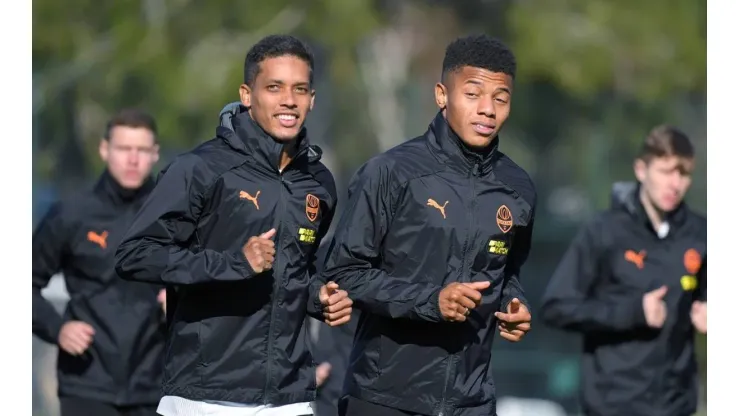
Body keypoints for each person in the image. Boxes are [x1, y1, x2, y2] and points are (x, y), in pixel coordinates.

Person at [114, 34, 353, 416]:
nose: (288, 100)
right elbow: (134, 255)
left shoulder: (319, 183)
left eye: (300, 89)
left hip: (289, 399)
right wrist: (233, 264)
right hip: (203, 397)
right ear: (247, 94)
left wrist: (319, 298)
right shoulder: (200, 169)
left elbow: (298, 272)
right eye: (273, 87)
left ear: (312, 99)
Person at [321, 34, 536, 416]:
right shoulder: (390, 172)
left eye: (500, 99)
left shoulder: (517, 188)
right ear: (442, 95)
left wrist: (513, 305)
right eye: (473, 94)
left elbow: (508, 272)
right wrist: (431, 301)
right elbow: (344, 271)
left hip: (471, 401)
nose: (487, 109)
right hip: (383, 397)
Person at [539, 125, 706, 416]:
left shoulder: (701, 233)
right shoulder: (604, 231)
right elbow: (556, 307)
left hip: (676, 405)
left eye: (684, 174)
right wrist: (633, 312)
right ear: (641, 169)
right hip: (613, 403)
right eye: (666, 171)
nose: (675, 184)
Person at [32, 109, 165, 416]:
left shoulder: (176, 215)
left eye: (142, 150)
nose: (133, 160)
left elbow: (210, 275)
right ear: (105, 150)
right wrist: (58, 328)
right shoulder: (72, 215)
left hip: (156, 385)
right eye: (123, 149)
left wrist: (183, 297)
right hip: (87, 384)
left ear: (155, 154)